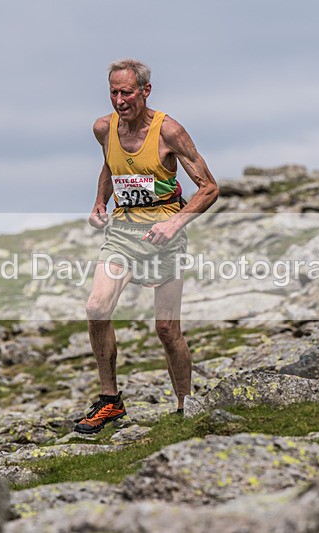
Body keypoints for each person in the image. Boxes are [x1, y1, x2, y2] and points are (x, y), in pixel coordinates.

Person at [74, 59, 219, 434]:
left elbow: (209, 188)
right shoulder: (103, 128)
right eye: (114, 93)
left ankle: (186, 404)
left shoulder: (169, 131)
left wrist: (175, 222)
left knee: (167, 328)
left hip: (164, 237)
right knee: (96, 307)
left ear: (145, 91)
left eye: (127, 93)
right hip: (122, 234)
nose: (120, 101)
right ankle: (110, 401)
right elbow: (110, 166)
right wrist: (99, 203)